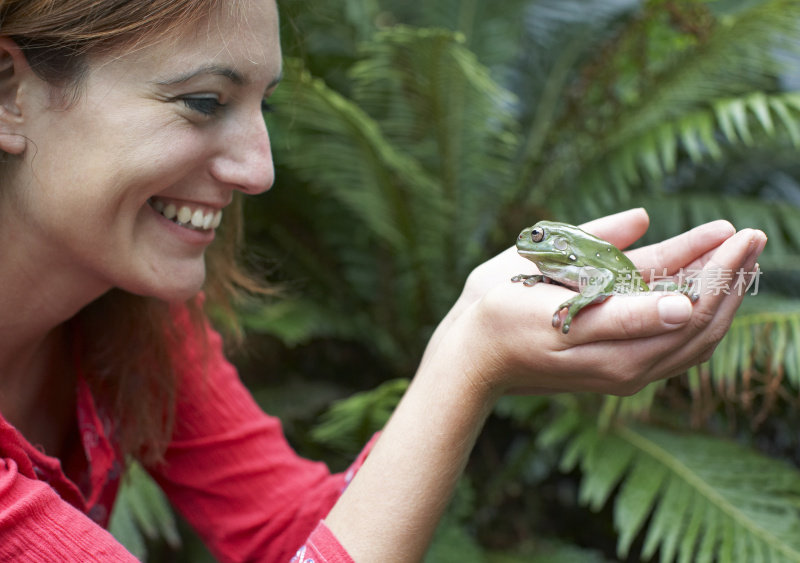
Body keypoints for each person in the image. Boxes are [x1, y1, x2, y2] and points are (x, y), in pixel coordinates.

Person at [0, 0, 766, 561]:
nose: (259, 170)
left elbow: (296, 533)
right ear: (10, 90)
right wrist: (466, 362)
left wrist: (483, 357)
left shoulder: (137, 320)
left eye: (262, 106)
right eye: (204, 101)